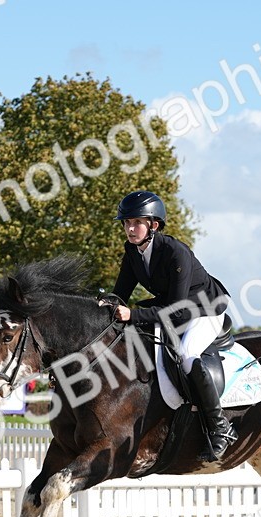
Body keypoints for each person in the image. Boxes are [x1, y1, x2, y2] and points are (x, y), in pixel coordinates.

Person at [99, 190, 236, 461]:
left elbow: (174, 310)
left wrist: (133, 316)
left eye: (136, 222)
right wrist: (101, 305)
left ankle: (220, 427)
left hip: (203, 310)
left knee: (187, 356)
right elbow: (120, 294)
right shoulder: (133, 252)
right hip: (173, 305)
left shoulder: (175, 253)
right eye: (126, 223)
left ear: (154, 225)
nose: (129, 228)